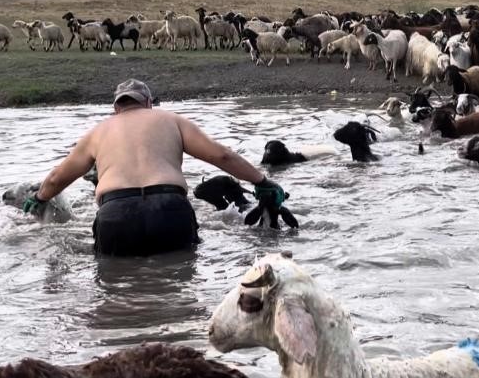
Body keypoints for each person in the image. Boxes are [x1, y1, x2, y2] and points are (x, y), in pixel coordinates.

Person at [23, 79, 286, 257]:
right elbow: (222, 156)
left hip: (116, 217)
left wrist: (39, 199)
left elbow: (57, 178)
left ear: (116, 107)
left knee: (115, 289)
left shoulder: (98, 132)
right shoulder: (170, 120)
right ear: (149, 102)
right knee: (179, 285)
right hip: (169, 211)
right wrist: (262, 181)